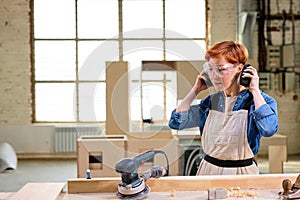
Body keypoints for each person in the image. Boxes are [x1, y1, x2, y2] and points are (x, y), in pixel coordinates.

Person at [169, 40, 278, 175]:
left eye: (221, 69)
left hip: (242, 173)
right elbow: (176, 122)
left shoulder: (259, 101)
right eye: (210, 69)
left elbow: (269, 129)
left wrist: (255, 90)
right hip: (208, 171)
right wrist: (195, 89)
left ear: (240, 68)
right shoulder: (210, 102)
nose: (214, 77)